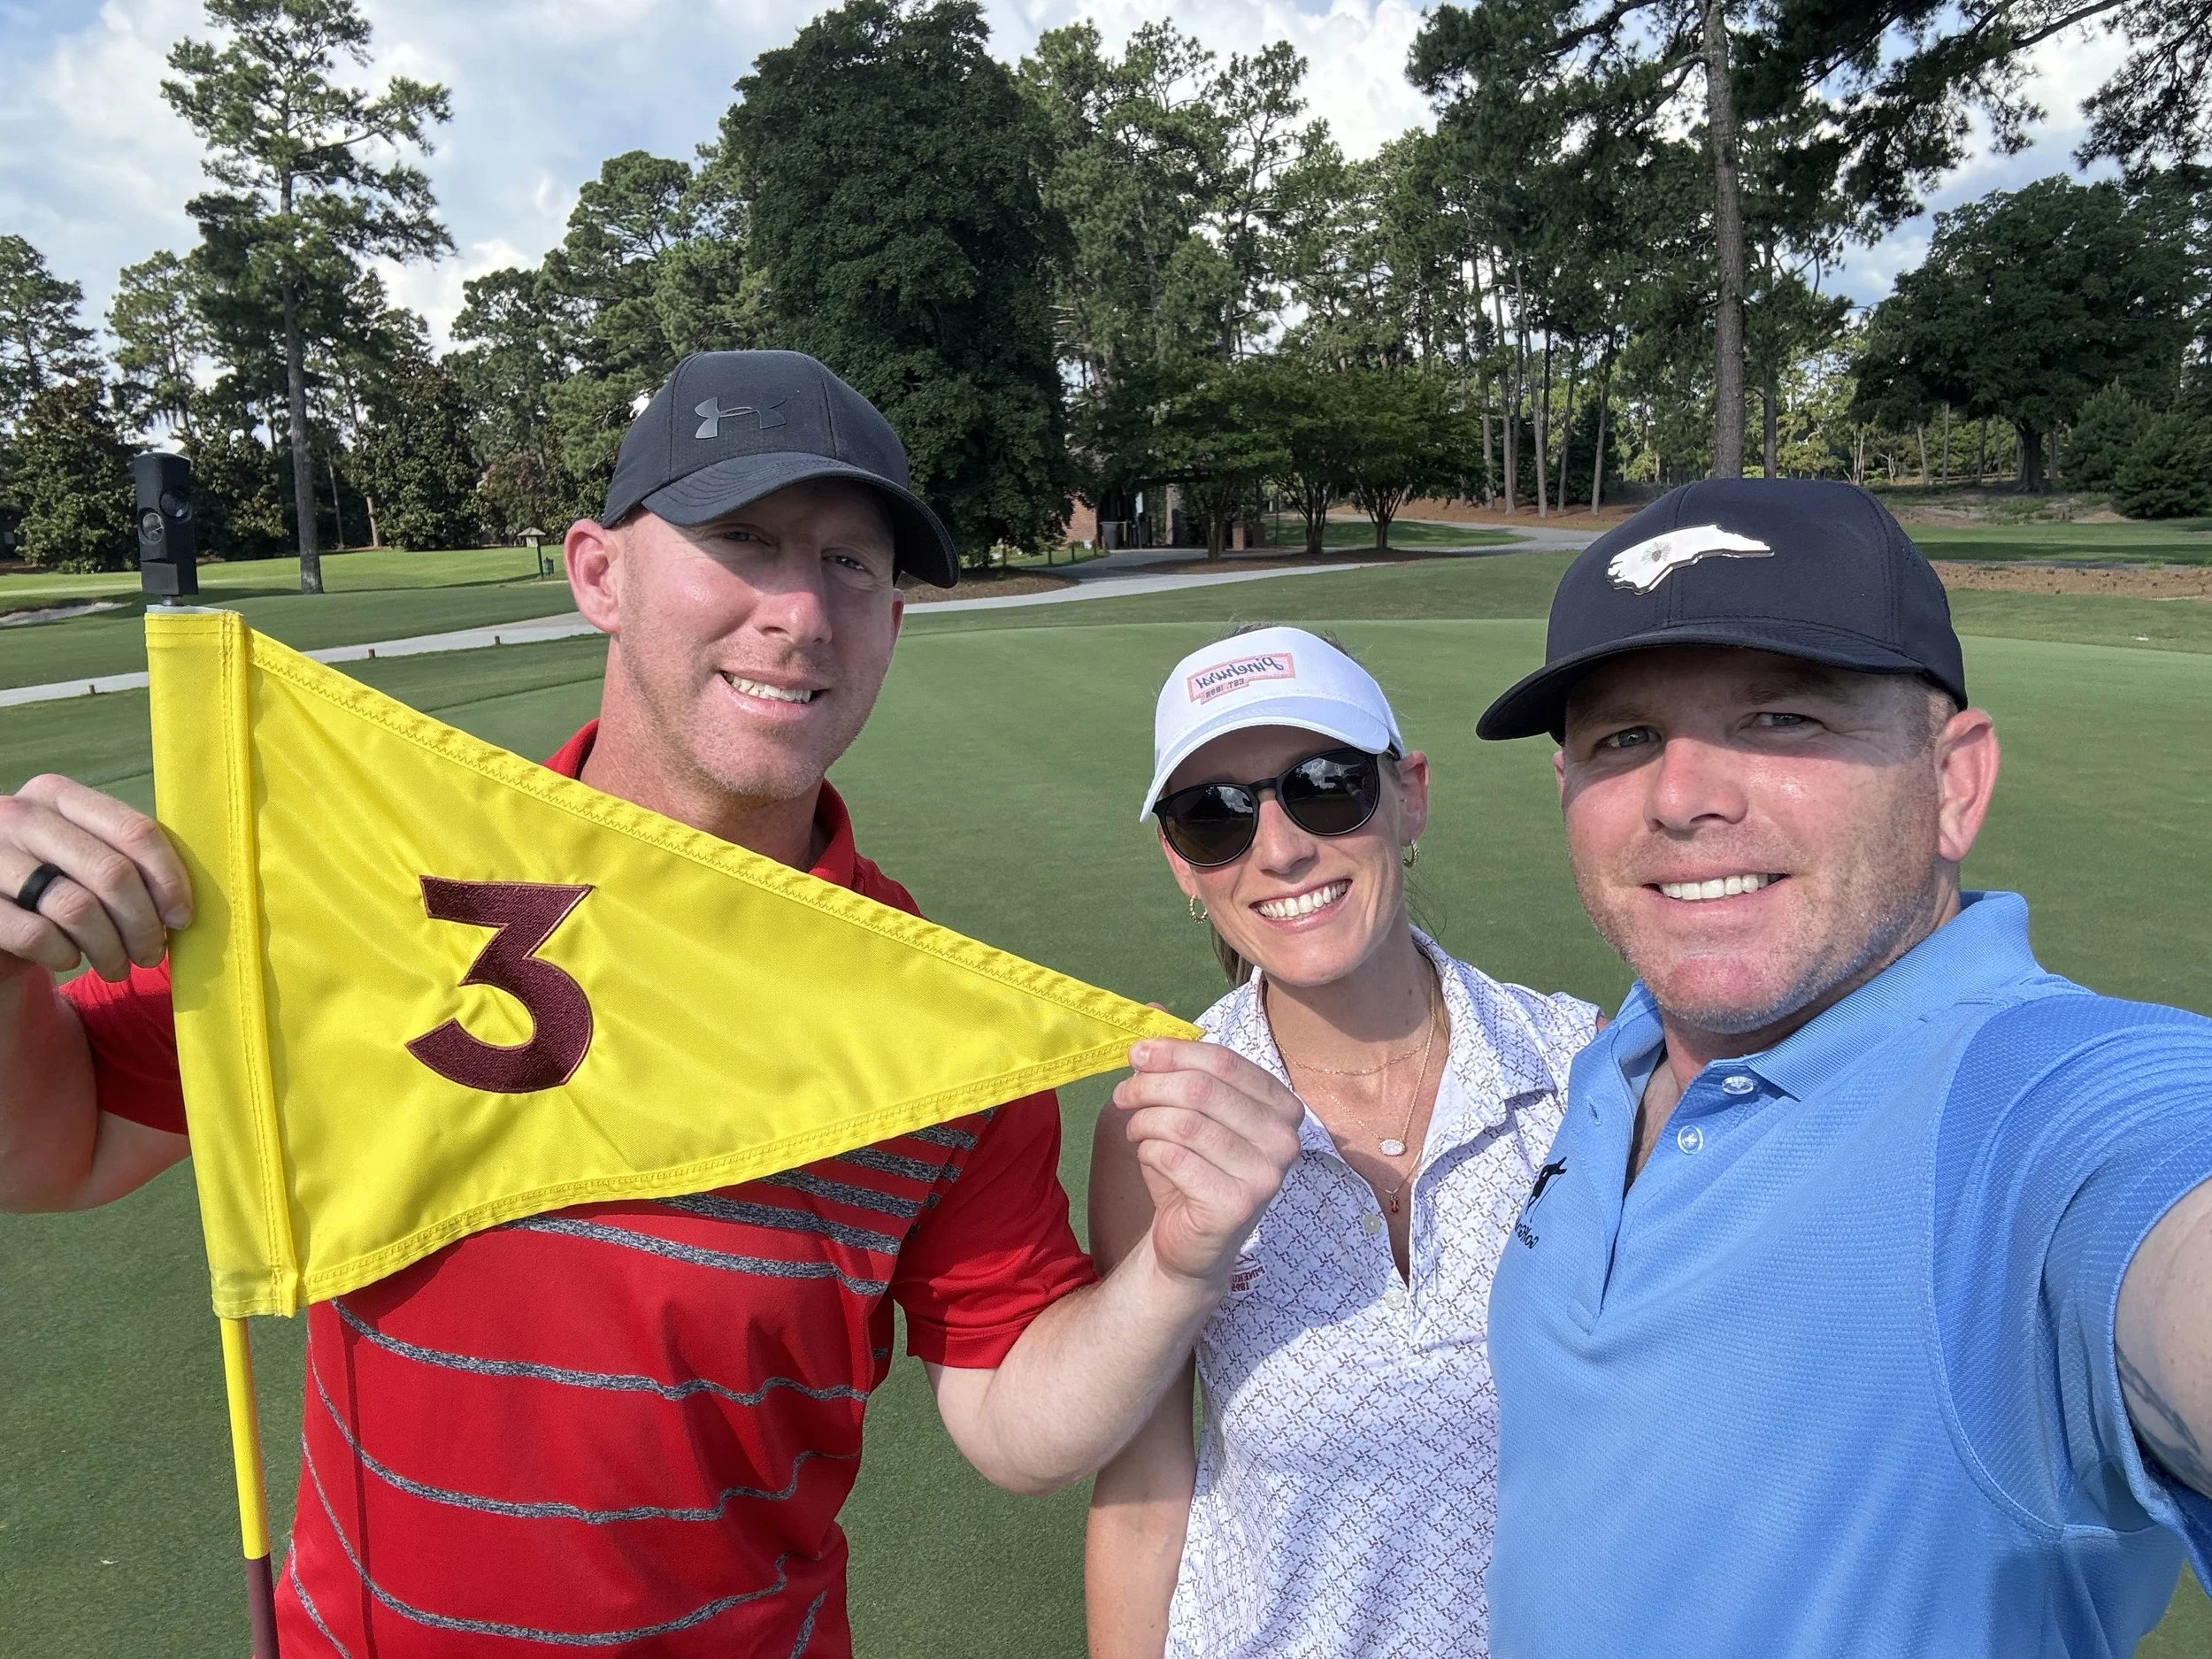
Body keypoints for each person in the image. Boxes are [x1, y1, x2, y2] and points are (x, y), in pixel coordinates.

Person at [0, 350, 1304, 1656]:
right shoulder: (365, 886)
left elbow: (1016, 1418)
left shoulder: (936, 1018)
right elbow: (52, 1146)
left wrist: (1176, 1265)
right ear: (598, 573)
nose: (800, 610)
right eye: (743, 537)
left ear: (894, 625)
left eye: (854, 563)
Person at [1475, 478, 2212, 1657]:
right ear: (1566, 788)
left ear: (1953, 783)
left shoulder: (2032, 1104)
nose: (1683, 798)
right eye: (1626, 736)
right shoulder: (1623, 1050)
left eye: (1784, 718)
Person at [1085, 626, 1601, 1657]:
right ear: (1182, 866)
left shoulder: (1587, 1071)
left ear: (1408, 795)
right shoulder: (1162, 1118)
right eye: (1211, 816)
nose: (1277, 850)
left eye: (1324, 786)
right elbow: (1144, 1486)